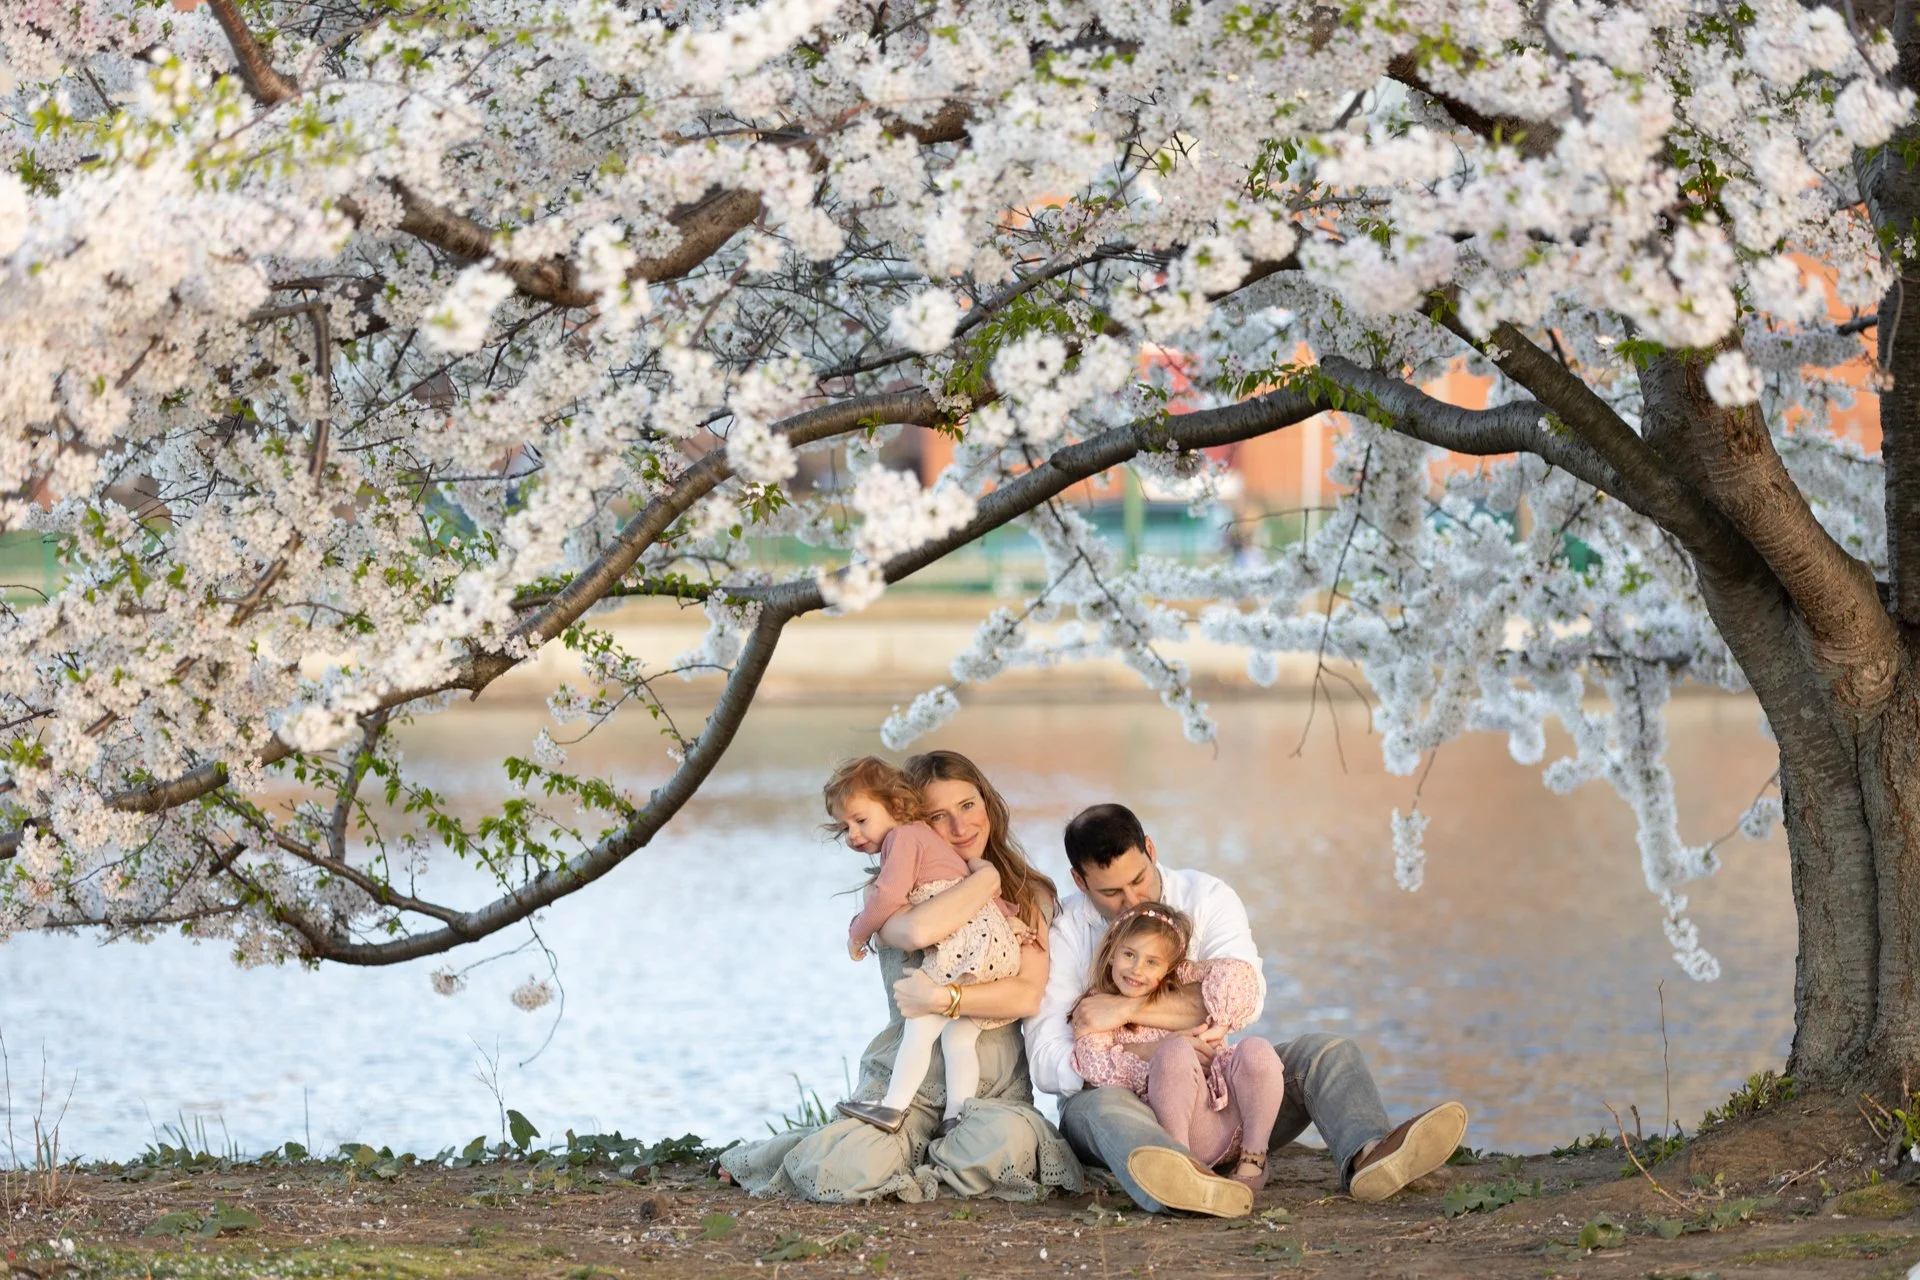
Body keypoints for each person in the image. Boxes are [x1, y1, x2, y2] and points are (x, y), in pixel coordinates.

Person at [1026, 802, 1469, 1217]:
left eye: (1139, 879)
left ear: (1151, 850)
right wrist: (1145, 1057)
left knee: (1325, 1052)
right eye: (1111, 893)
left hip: (1223, 1102)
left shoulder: (1208, 897)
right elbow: (1046, 1062)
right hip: (1128, 1107)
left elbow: (1242, 998)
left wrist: (1125, 1011)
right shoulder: (1066, 932)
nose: (1133, 900)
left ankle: (1369, 1156)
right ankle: (1178, 1177)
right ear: (1080, 882)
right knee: (1096, 1108)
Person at [721, 751, 1081, 1202]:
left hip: (991, 1091)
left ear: (988, 802)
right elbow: (918, 930)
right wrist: (984, 882)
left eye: (968, 806)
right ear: (912, 820)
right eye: (938, 816)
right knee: (849, 1167)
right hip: (904, 1084)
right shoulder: (885, 894)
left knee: (999, 1147)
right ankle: (802, 1151)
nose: (960, 826)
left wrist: (942, 999)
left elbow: (1025, 995)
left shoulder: (1031, 894)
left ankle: (925, 1154)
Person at [826, 756, 1032, 1136]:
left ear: (895, 806)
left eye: (860, 821)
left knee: (920, 1029)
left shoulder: (904, 838)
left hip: (963, 950)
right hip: (993, 948)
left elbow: (889, 895)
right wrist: (1010, 920)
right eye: (845, 827)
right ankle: (956, 1115)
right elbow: (969, 889)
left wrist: (857, 931)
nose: (853, 835)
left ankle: (892, 1108)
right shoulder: (937, 847)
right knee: (959, 1037)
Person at [1071, 903, 1285, 1199]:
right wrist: (1163, 1051)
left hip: (1229, 1121)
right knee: (1174, 1053)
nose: (1136, 969)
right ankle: (1183, 1168)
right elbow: (1096, 1067)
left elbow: (1241, 978)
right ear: (1112, 952)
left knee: (1257, 1050)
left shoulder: (1182, 983)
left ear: (1170, 967)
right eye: (1129, 954)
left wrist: (1220, 1023)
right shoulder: (1100, 1006)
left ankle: (1253, 1161)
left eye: (1152, 962)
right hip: (1179, 1127)